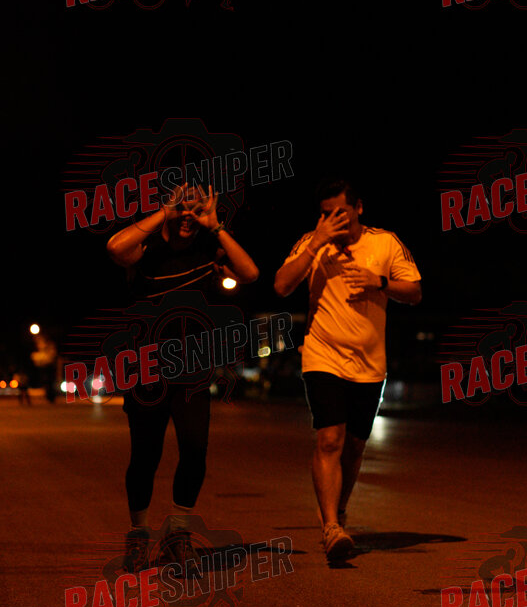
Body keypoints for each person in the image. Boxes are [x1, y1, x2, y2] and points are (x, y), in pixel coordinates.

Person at [106, 183, 259, 567]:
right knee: (145, 455)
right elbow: (114, 248)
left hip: (193, 369)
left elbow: (250, 273)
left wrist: (215, 225)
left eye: (196, 208)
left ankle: (179, 533)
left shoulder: (208, 249)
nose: (188, 215)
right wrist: (166, 211)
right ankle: (139, 534)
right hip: (146, 369)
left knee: (194, 447)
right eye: (182, 208)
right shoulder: (145, 249)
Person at [274, 178, 421, 562]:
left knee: (355, 447)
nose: (333, 220)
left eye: (340, 212)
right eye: (326, 214)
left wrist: (380, 282)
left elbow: (415, 291)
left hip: (369, 363)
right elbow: (282, 285)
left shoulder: (385, 242)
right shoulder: (312, 242)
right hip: (322, 355)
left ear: (359, 208)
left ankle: (339, 511)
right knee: (329, 439)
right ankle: (330, 527)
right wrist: (316, 243)